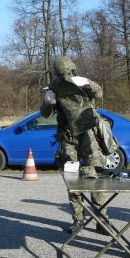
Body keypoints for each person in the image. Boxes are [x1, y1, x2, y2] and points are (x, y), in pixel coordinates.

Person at [45, 56, 109, 233]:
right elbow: (45, 112)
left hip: (88, 134)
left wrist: (88, 83)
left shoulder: (81, 82)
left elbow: (99, 93)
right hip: (68, 137)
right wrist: (47, 101)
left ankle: (102, 220)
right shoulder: (54, 87)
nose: (66, 76)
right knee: (72, 178)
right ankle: (78, 219)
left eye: (68, 72)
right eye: (62, 73)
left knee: (95, 176)